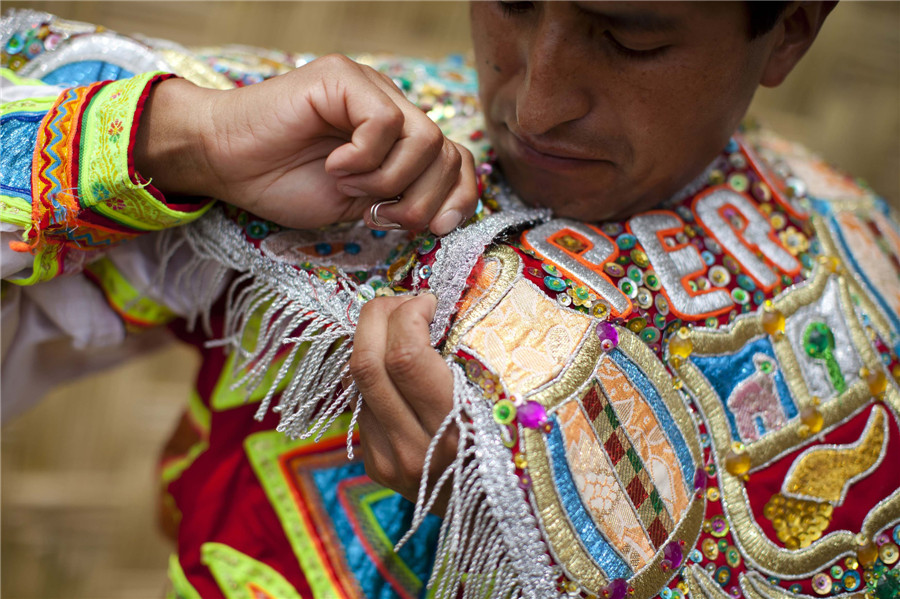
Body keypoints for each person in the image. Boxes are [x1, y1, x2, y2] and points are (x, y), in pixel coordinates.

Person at [3, 2, 900, 598]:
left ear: (789, 30)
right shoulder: (327, 141)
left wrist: (513, 526)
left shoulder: (874, 292)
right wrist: (174, 139)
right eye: (511, 1)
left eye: (630, 38)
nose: (536, 101)